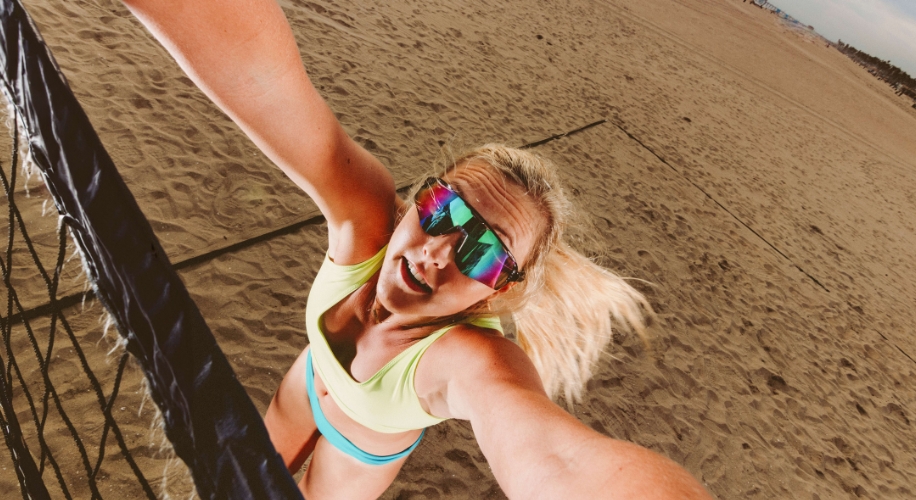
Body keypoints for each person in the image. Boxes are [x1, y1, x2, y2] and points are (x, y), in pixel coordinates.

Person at [122, 1, 713, 498]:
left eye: (483, 252)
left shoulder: (469, 357)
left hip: (358, 454)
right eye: (444, 211)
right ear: (415, 202)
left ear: (499, 289)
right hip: (303, 386)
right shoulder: (367, 226)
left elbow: (559, 460)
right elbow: (267, 84)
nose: (437, 252)